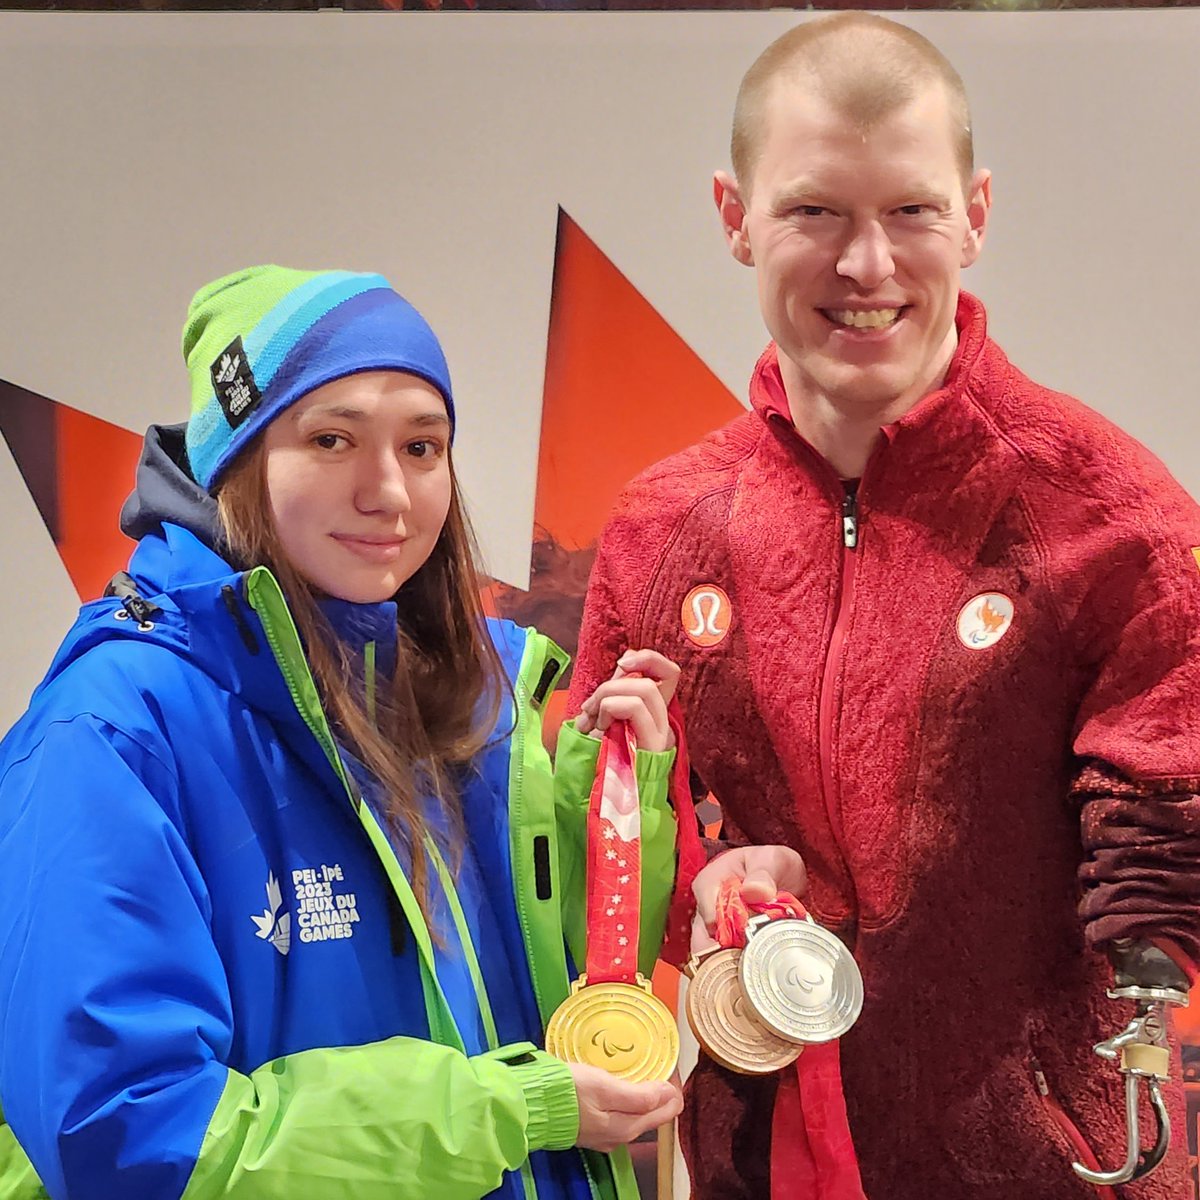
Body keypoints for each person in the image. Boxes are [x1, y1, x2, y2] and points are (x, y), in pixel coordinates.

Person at [569, 14, 1200, 1200]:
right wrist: (694, 889)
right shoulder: (663, 529)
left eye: (910, 210)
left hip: (1059, 1174)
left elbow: (1170, 835)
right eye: (814, 211)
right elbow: (601, 826)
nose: (867, 266)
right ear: (733, 215)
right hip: (761, 1157)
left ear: (977, 212)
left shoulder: (1113, 517)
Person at [0, 265, 687, 1200]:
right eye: (332, 439)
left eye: (422, 445)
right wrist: (504, 1113)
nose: (389, 493)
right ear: (232, 462)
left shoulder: (463, 692)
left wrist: (604, 809)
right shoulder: (112, 734)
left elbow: (553, 1000)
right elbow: (129, 1135)